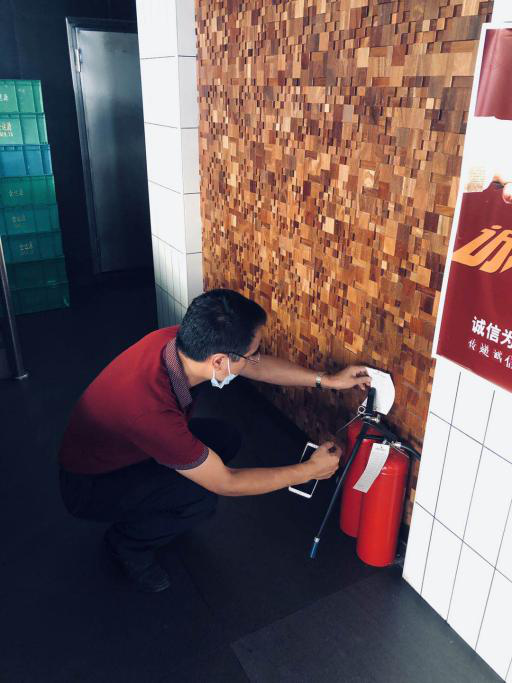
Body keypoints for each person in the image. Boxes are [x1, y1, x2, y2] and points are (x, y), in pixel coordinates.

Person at [59, 289, 371, 592]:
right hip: (92, 485)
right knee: (201, 499)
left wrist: (328, 380)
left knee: (225, 438)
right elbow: (226, 482)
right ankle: (127, 544)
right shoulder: (152, 411)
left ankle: (160, 507)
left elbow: (257, 368)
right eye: (251, 354)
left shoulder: (179, 341)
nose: (256, 359)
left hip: (127, 449)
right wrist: (309, 471)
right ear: (220, 362)